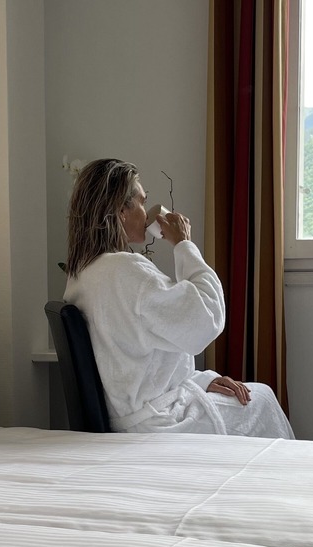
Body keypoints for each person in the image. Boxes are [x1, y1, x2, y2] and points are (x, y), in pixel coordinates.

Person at [62, 158, 294, 439]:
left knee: (255, 395)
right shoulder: (126, 271)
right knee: (263, 399)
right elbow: (205, 320)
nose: (146, 212)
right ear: (121, 209)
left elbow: (134, 358)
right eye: (141, 201)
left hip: (128, 416)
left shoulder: (82, 273)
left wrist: (205, 380)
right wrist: (183, 244)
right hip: (156, 422)